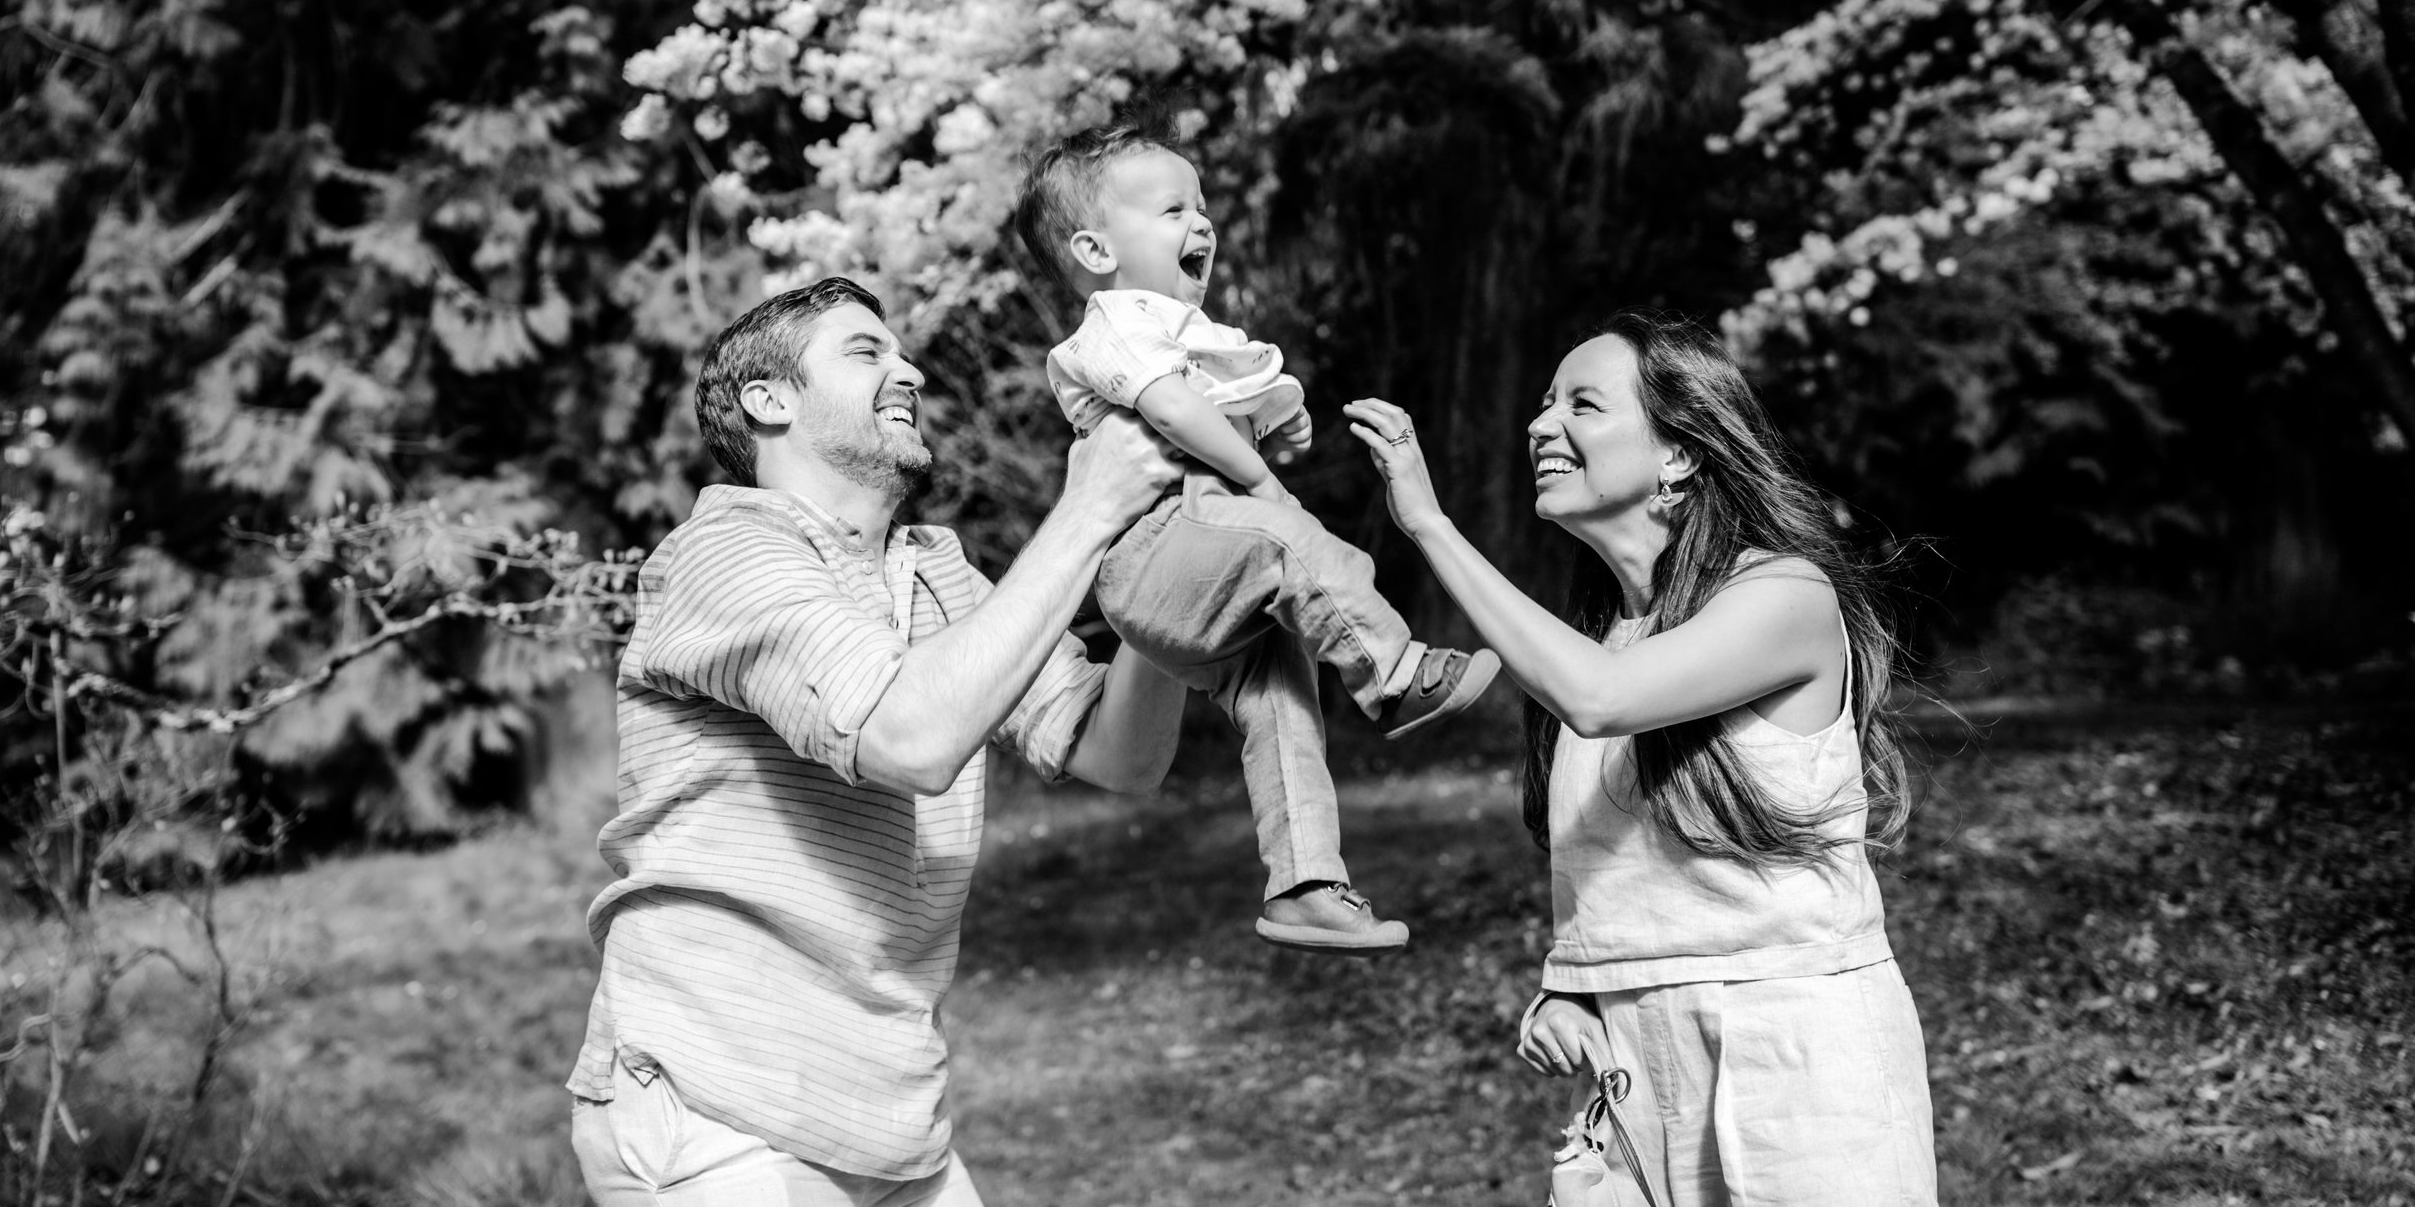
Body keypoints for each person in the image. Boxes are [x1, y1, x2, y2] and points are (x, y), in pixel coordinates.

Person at [567, 276, 1191, 1207]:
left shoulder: (937, 572)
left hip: (892, 1121)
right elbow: (910, 735)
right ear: (768, 400)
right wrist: (1091, 507)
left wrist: (1171, 551)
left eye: (901, 350)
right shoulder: (722, 552)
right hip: (718, 1108)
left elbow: (1120, 753)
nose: (911, 371)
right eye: (866, 351)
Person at [1342, 311, 1938, 1207]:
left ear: (1680, 453)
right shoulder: (1602, 635)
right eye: (1545, 403)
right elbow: (1614, 869)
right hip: (1631, 1073)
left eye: (1583, 404)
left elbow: (1602, 697)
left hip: (1797, 1058)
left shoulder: (1785, 593)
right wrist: (1571, 989)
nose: (1542, 424)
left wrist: (1428, 523)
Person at [1014, 123, 1500, 954]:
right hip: (1157, 554)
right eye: (1173, 209)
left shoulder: (1183, 331)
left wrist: (1281, 419)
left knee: (1281, 696)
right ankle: (1392, 673)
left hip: (1197, 570)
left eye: (1202, 206)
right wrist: (1263, 478)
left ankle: (1305, 883)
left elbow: (1226, 403)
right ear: (1096, 249)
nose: (1201, 223)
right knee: (1288, 539)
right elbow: (1175, 411)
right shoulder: (1116, 322)